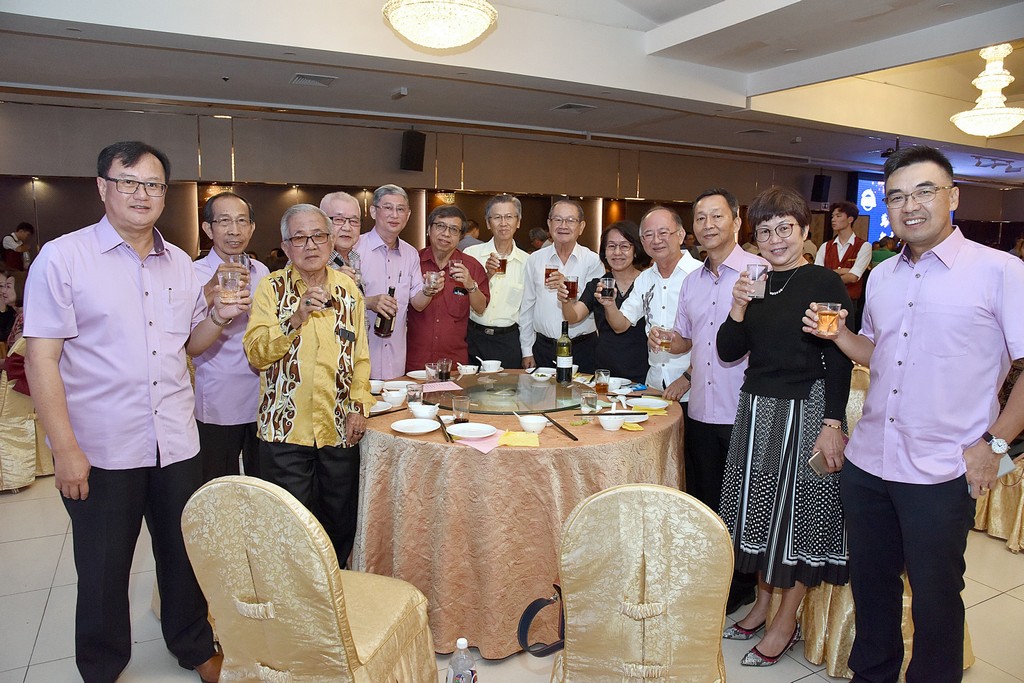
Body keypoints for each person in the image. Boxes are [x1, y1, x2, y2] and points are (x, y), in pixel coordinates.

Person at [24, 140, 241, 683]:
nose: (142, 194)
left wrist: (218, 317)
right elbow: (41, 359)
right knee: (103, 568)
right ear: (103, 187)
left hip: (175, 441)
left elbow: (190, 346)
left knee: (183, 555)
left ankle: (194, 645)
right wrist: (65, 450)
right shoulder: (64, 258)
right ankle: (102, 667)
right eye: (129, 182)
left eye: (153, 185)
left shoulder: (181, 265)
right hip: (102, 448)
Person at [806, 146, 1024, 683]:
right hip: (869, 463)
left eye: (925, 191)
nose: (910, 205)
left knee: (936, 596)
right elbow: (876, 353)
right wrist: (838, 335)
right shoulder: (883, 275)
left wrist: (996, 444)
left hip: (943, 469)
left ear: (953, 196)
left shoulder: (1001, 271)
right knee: (872, 587)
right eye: (897, 196)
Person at [716, 185, 852, 668]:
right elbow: (728, 350)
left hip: (806, 409)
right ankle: (762, 605)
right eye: (766, 232)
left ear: (803, 230)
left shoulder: (823, 282)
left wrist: (832, 422)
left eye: (785, 229)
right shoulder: (755, 281)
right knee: (759, 514)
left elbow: (838, 359)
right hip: (757, 410)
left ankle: (785, 621)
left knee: (796, 520)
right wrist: (737, 306)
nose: (775, 240)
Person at [243, 203, 374, 568]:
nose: (311, 245)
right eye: (300, 238)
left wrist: (359, 407)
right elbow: (256, 354)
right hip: (286, 431)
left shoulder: (348, 290)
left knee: (338, 523)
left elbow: (360, 356)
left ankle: (334, 589)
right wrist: (295, 317)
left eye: (318, 236)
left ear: (331, 241)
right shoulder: (271, 288)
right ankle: (294, 595)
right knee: (291, 528)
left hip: (338, 428)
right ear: (286, 246)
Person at [660, 188, 767, 614]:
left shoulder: (759, 272)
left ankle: (740, 587)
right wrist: (669, 342)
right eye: (700, 217)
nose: (708, 225)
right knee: (705, 499)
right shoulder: (692, 281)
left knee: (742, 503)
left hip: (745, 407)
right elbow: (688, 340)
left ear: (737, 222)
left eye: (717, 216)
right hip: (701, 407)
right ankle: (710, 579)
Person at [192, 191, 270, 481]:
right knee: (219, 481)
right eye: (224, 221)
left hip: (261, 393)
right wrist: (212, 288)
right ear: (208, 228)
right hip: (219, 396)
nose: (234, 230)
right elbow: (182, 329)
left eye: (241, 221)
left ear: (252, 227)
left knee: (261, 480)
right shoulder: (193, 272)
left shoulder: (261, 270)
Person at [604, 206, 701, 394]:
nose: (656, 240)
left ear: (680, 235)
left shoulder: (700, 275)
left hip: (694, 388)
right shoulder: (645, 278)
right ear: (642, 241)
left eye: (663, 233)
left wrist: (687, 377)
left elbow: (711, 339)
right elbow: (621, 324)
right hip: (655, 385)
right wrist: (609, 305)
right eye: (648, 235)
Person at [352, 184, 433, 379]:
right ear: (373, 211)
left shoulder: (410, 253)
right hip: (359, 357)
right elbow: (337, 301)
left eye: (400, 209)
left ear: (408, 214)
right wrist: (369, 302)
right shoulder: (354, 249)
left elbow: (417, 303)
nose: (394, 215)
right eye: (388, 208)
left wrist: (429, 290)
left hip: (395, 360)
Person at [557, 221, 650, 384]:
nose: (617, 252)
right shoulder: (598, 285)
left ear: (635, 250)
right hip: (605, 370)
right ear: (604, 252)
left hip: (643, 368)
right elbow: (573, 317)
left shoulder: (648, 282)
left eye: (624, 246)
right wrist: (565, 301)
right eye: (611, 246)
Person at [519, 200, 603, 371]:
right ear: (549, 224)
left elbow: (594, 305)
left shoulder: (593, 262)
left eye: (571, 220)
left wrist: (568, 287)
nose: (563, 226)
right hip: (543, 348)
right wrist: (526, 350)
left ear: (581, 227)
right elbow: (527, 307)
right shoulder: (535, 259)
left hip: (583, 348)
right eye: (557, 219)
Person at [406, 205, 489, 371]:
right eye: (440, 226)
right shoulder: (412, 262)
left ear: (460, 236)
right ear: (429, 229)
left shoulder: (472, 266)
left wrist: (470, 285)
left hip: (454, 363)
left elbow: (481, 308)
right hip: (414, 361)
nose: (446, 234)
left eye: (453, 229)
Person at [464, 194, 530, 369]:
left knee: (509, 387)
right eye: (497, 217)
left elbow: (527, 312)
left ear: (518, 222)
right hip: (473, 337)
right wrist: (486, 275)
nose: (503, 223)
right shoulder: (471, 255)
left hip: (508, 341)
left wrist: (527, 351)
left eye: (509, 217)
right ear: (488, 223)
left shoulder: (527, 262)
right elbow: (462, 298)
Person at [815, 201, 871, 332]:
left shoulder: (863, 246)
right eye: (832, 216)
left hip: (850, 301)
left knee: (847, 336)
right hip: (826, 301)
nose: (833, 219)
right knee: (824, 334)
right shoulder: (826, 246)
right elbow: (818, 276)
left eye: (838, 216)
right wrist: (843, 271)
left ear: (850, 219)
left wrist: (830, 274)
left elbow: (853, 277)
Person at [321, 191, 362, 281]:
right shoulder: (309, 259)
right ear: (322, 222)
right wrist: (331, 281)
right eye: (339, 219)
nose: (347, 228)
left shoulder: (356, 257)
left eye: (354, 221)